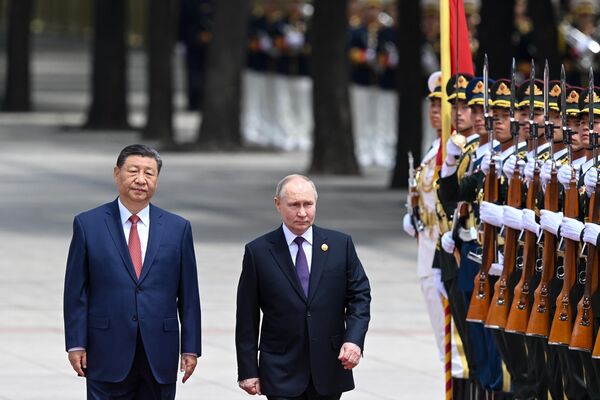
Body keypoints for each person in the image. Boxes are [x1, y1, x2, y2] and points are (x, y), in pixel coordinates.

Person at [63, 144, 202, 399]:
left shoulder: (178, 228)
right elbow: (76, 292)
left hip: (159, 350)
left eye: (149, 173)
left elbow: (189, 295)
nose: (141, 180)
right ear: (117, 174)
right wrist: (76, 343)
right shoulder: (88, 224)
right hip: (106, 349)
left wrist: (190, 348)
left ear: (157, 179)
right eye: (133, 171)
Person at [235, 174, 371, 400]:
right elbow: (247, 316)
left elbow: (360, 296)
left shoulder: (340, 245)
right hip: (280, 369)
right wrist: (248, 370)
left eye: (308, 204)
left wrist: (353, 340)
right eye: (294, 205)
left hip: (328, 366)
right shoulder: (258, 252)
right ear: (277, 205)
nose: (302, 212)